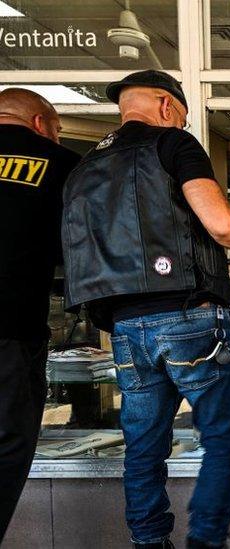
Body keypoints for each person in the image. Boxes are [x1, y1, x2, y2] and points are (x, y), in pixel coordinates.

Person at [61, 70, 230, 549]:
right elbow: (221, 226)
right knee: (222, 439)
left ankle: (150, 543)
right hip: (190, 313)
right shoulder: (173, 144)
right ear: (168, 106)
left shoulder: (83, 167)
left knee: (144, 448)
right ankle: (206, 539)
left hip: (126, 327)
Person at [0, 88, 79, 543]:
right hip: (9, 328)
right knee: (8, 445)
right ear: (39, 123)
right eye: (57, 128)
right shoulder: (61, 164)